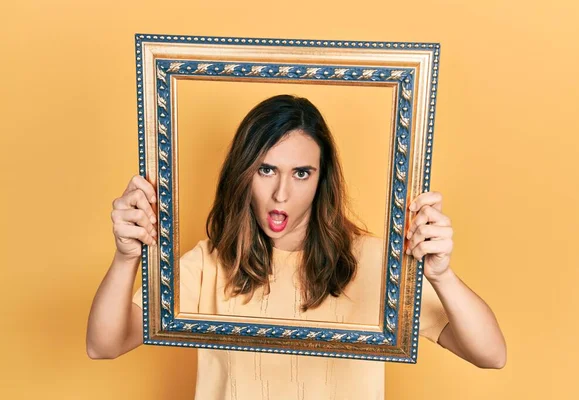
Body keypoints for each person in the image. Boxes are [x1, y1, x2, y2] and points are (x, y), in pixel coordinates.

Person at [86, 95, 506, 399]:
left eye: (301, 173)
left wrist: (441, 275)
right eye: (267, 169)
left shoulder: (377, 263)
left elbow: (490, 354)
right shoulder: (210, 265)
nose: (282, 193)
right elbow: (103, 345)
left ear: (322, 180)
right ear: (243, 173)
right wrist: (126, 257)